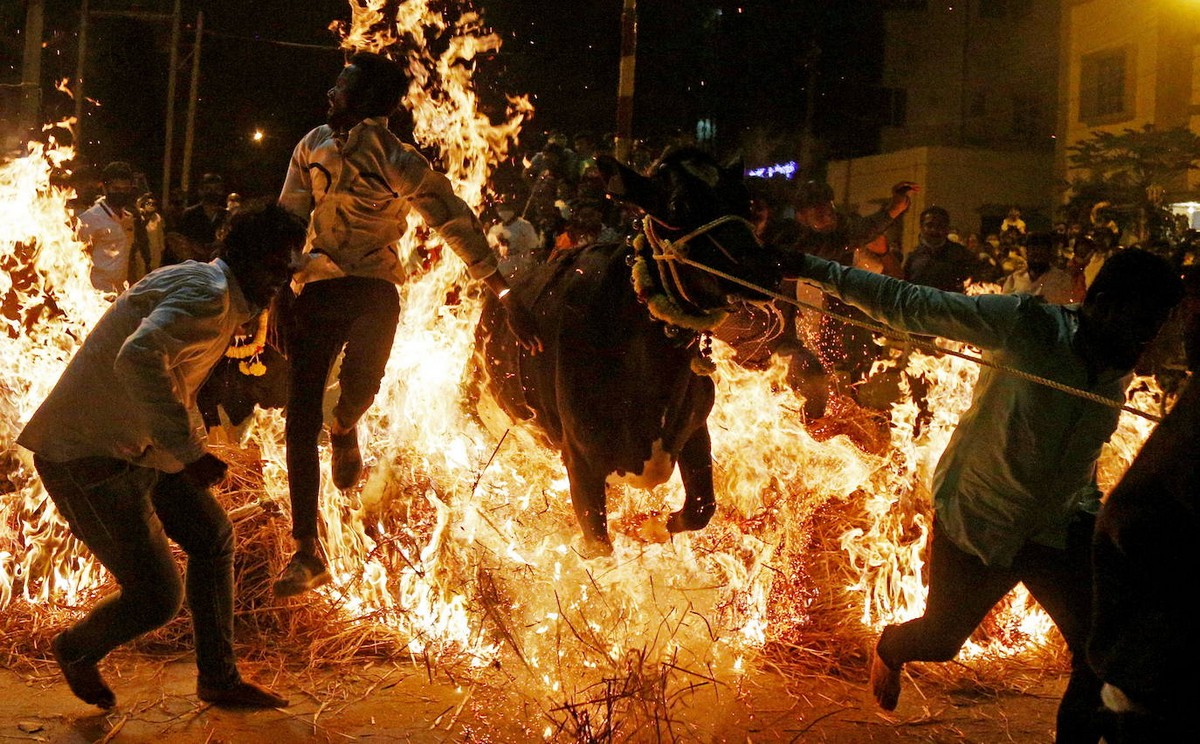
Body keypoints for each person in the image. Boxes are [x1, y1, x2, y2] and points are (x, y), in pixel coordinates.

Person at [786, 248, 1182, 743]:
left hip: (1057, 530)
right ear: (1101, 305)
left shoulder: (1120, 363)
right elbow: (908, 302)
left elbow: (1080, 452)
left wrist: (1092, 510)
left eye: (1157, 327)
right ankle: (891, 647)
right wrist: (810, 265)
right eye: (1140, 323)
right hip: (981, 520)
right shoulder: (1026, 326)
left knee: (1097, 655)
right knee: (941, 639)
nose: (1147, 341)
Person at [17, 203, 305, 710]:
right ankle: (75, 648)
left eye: (287, 269)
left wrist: (185, 445)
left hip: (139, 447)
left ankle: (218, 679)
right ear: (242, 256)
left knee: (213, 537)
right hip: (87, 456)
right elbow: (139, 358)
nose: (280, 281)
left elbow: (171, 380)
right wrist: (191, 453)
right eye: (273, 267)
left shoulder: (206, 286)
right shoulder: (209, 299)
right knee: (156, 597)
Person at [275, 51, 542, 597]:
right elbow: (287, 219)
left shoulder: (398, 159)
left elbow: (455, 223)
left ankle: (346, 426)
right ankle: (306, 549)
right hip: (316, 287)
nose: (331, 92)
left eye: (342, 87)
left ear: (369, 102)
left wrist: (506, 294)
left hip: (374, 289)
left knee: (359, 392)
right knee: (299, 415)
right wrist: (276, 291)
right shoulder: (311, 145)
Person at [1087, 268, 1200, 743]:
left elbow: (1148, 530)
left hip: (1167, 679)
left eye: (1189, 307)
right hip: (1148, 671)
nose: (1178, 325)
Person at [76, 161, 139, 293]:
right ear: (105, 188)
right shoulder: (90, 219)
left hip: (120, 293)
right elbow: (76, 259)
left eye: (125, 190)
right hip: (95, 294)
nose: (121, 193)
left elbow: (128, 256)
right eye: (116, 189)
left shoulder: (128, 218)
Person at [903, 206, 982, 292]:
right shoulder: (913, 258)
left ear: (947, 228)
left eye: (940, 226)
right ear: (921, 228)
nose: (934, 230)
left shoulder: (962, 255)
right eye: (929, 225)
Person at [1002, 232, 1081, 304]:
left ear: (1049, 252)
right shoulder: (1014, 279)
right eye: (1033, 250)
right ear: (1027, 253)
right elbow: (1006, 306)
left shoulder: (1062, 279)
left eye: (1041, 250)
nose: (1037, 253)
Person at [168, 173, 229, 264]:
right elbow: (181, 241)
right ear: (200, 191)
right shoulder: (190, 214)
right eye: (208, 189)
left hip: (218, 266)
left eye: (217, 189)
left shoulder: (226, 215)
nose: (212, 192)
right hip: (194, 265)